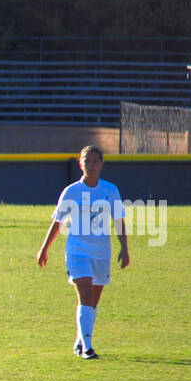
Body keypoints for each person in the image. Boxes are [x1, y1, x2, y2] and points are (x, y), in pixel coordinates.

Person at [36, 145, 130, 359]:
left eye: (95, 161)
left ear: (101, 164)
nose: (92, 165)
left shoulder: (110, 190)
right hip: (77, 250)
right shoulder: (72, 191)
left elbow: (118, 221)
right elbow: (57, 223)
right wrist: (44, 248)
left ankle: (80, 341)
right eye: (87, 161)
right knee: (85, 295)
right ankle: (87, 348)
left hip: (101, 252)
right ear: (81, 164)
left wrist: (125, 248)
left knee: (93, 302)